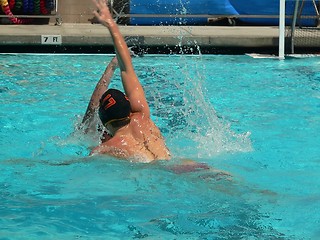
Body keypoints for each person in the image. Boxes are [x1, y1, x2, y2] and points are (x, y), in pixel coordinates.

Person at [82, 0, 171, 162]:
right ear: (129, 107)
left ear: (105, 125)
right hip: (185, 166)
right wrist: (111, 25)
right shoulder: (142, 116)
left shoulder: (105, 149)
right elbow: (126, 67)